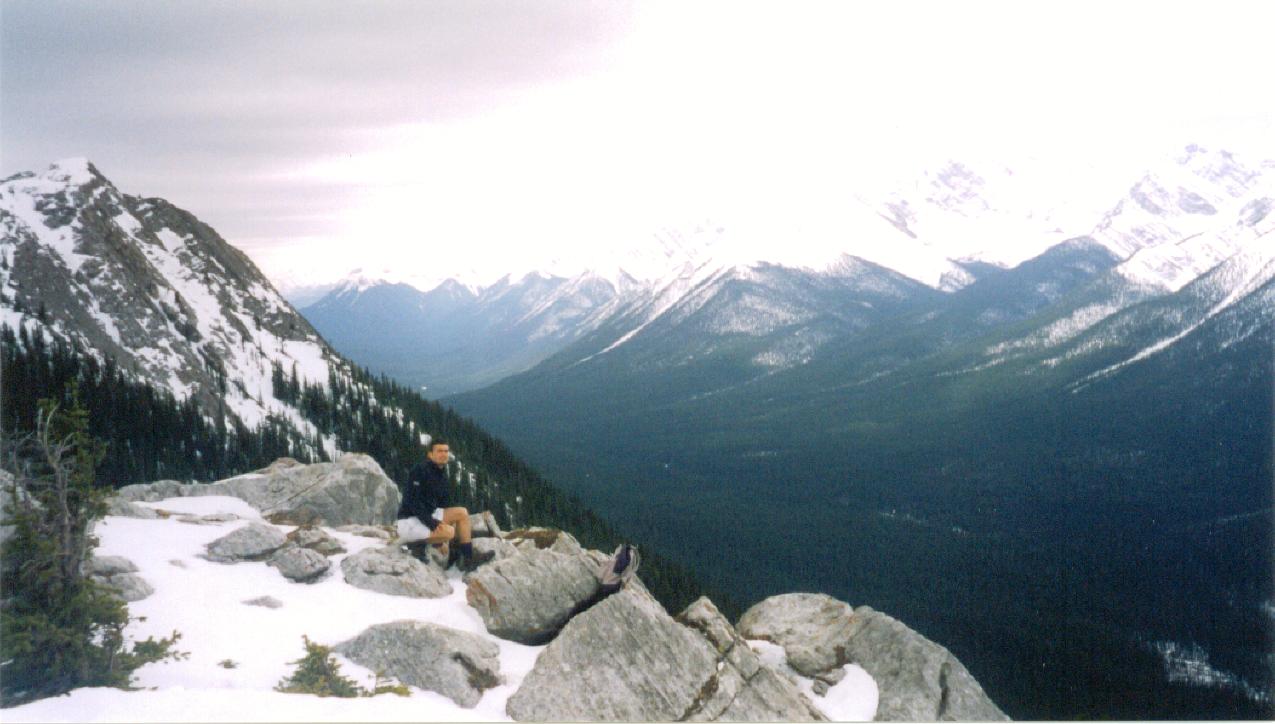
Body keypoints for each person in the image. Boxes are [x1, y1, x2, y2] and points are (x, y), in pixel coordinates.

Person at [398, 440, 493, 570]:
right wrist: (432, 526)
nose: (443, 454)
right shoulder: (420, 470)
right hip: (409, 520)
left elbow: (443, 504)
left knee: (462, 513)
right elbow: (412, 501)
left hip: (428, 515)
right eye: (439, 451)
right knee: (449, 532)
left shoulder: (440, 472)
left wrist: (438, 533)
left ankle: (468, 559)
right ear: (430, 454)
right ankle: (415, 545)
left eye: (446, 451)